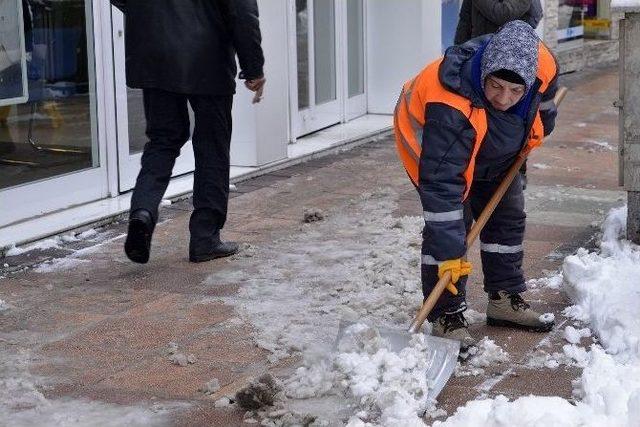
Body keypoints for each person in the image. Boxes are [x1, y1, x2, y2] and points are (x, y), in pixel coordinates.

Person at [394, 21, 559, 349]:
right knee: (451, 228)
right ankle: (446, 314)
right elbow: (442, 187)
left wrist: (540, 126)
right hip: (435, 151)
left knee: (507, 218)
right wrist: (449, 254)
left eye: (516, 91)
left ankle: (504, 298)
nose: (504, 99)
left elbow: (545, 107)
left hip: (494, 147)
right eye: (496, 86)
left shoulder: (544, 65)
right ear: (484, 71)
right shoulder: (449, 102)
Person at [110, 0, 265, 264]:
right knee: (212, 146)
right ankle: (205, 238)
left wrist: (153, 17)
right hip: (208, 57)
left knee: (162, 140)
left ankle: (143, 212)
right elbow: (243, 13)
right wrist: (253, 68)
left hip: (155, 55)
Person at [455, 0, 544, 190]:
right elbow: (465, 21)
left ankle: (516, 171)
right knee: (478, 118)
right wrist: (459, 53)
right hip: (479, 60)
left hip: (513, 65)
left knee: (513, 119)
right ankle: (476, 167)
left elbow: (504, 13)